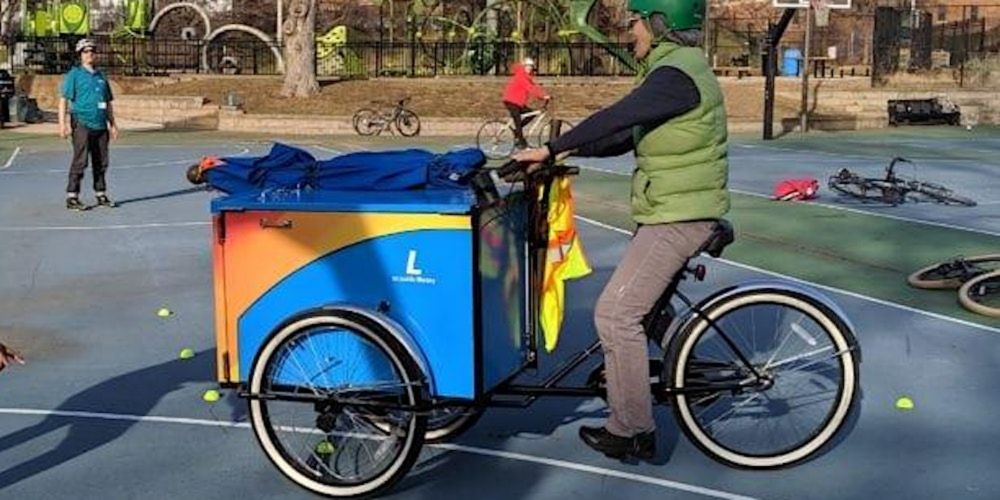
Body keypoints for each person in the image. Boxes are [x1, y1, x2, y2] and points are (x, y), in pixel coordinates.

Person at [513, 0, 728, 461]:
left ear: (659, 22)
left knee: (615, 314)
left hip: (678, 215)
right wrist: (565, 154)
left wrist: (550, 148)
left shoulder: (676, 74)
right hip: (669, 207)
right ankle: (692, 372)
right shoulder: (672, 71)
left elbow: (617, 116)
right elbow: (620, 137)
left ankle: (633, 429)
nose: (629, 32)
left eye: (634, 22)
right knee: (644, 310)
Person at [59, 38, 119, 211]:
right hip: (82, 123)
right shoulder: (74, 75)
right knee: (81, 160)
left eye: (92, 51)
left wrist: (113, 124)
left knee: (101, 161)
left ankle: (100, 193)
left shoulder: (101, 77)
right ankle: (72, 196)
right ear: (80, 55)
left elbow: (107, 102)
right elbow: (64, 100)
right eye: (86, 51)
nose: (90, 54)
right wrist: (62, 124)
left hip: (100, 125)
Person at [502, 57, 550, 150]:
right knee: (518, 120)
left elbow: (534, 87)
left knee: (531, 114)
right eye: (528, 66)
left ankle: (517, 132)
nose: (530, 68)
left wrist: (544, 94)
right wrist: (542, 97)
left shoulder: (527, 77)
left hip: (519, 103)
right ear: (523, 66)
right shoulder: (521, 76)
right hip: (511, 101)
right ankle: (521, 143)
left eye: (531, 66)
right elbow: (530, 88)